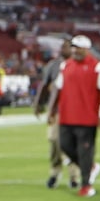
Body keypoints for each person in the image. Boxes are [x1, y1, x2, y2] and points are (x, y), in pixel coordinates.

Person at [45, 35, 100, 197]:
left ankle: (86, 185)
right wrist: (52, 110)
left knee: (85, 151)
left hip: (87, 118)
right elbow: (57, 89)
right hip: (67, 116)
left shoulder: (98, 67)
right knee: (65, 146)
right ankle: (90, 167)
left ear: (86, 50)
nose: (74, 51)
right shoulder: (65, 66)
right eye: (73, 47)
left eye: (78, 48)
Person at [32, 51, 73, 188]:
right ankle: (55, 172)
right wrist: (39, 104)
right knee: (54, 141)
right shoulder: (54, 65)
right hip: (57, 110)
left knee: (72, 143)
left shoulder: (79, 65)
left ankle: (74, 175)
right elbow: (46, 85)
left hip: (75, 110)